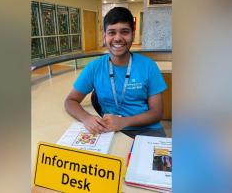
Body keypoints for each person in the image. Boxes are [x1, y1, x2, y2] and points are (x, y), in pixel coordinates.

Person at [64, 7, 167, 138]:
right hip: (109, 130)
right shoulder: (94, 67)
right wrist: (86, 118)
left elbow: (157, 113)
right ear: (105, 37)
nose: (118, 38)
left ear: (133, 35)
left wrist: (124, 122)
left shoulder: (148, 66)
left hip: (147, 130)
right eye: (112, 32)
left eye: (124, 32)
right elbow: (70, 101)